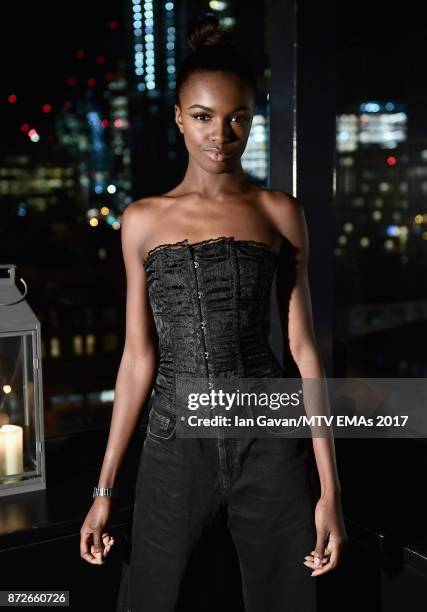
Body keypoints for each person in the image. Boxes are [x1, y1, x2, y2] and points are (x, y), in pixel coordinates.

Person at [80, 13, 348, 612]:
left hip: (270, 443)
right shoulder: (142, 221)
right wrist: (104, 490)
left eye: (237, 119)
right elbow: (136, 358)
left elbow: (304, 351)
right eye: (202, 117)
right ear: (179, 118)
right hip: (175, 445)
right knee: (153, 599)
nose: (219, 136)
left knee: (286, 601)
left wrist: (330, 491)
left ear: (252, 118)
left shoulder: (281, 212)